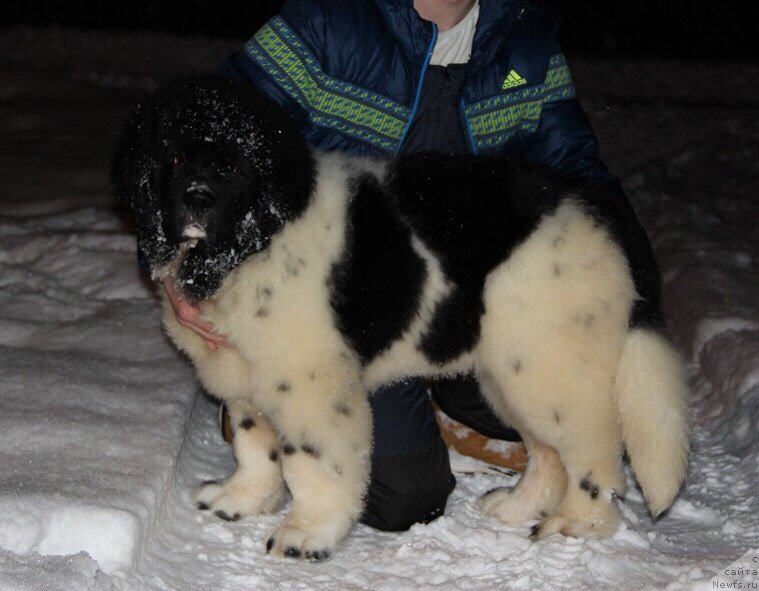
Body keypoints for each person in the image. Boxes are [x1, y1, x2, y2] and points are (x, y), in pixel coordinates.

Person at [164, 0, 655, 532]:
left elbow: (578, 168)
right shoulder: (328, 22)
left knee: (551, 394)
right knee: (405, 496)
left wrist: (635, 293)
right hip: (343, 309)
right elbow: (200, 139)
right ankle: (264, 401)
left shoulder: (524, 39)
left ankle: (521, 450)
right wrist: (176, 266)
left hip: (475, 292)